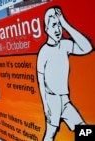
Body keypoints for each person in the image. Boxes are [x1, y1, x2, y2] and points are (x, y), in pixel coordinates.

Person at [37, 6, 92, 141]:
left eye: (59, 25)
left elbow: (87, 47)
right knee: (50, 135)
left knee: (83, 129)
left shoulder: (65, 45)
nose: (58, 29)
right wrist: (46, 107)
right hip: (52, 101)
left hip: (65, 100)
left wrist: (65, 23)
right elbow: (40, 80)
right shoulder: (43, 52)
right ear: (46, 29)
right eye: (54, 25)